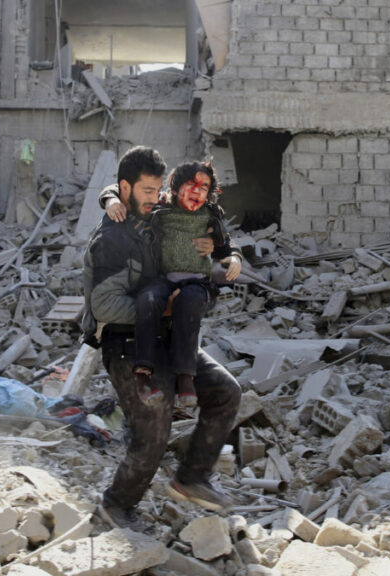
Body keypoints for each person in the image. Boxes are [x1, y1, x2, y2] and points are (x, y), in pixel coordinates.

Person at [82, 146, 243, 530]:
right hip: (126, 346)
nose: (156, 199)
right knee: (154, 428)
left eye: (158, 191)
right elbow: (104, 306)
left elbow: (210, 235)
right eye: (147, 192)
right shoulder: (111, 241)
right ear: (126, 189)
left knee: (225, 392)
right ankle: (114, 508)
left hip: (168, 338)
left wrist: (221, 255)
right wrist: (165, 311)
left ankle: (191, 477)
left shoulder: (155, 217)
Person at [130, 161, 240, 408]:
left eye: (204, 187)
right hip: (162, 279)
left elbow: (227, 245)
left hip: (197, 282)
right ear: (176, 186)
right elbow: (124, 196)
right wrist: (111, 200)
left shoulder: (211, 214)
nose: (197, 191)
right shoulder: (159, 209)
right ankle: (142, 373)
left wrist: (234, 257)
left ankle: (186, 376)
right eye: (191, 184)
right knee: (147, 300)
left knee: (188, 302)